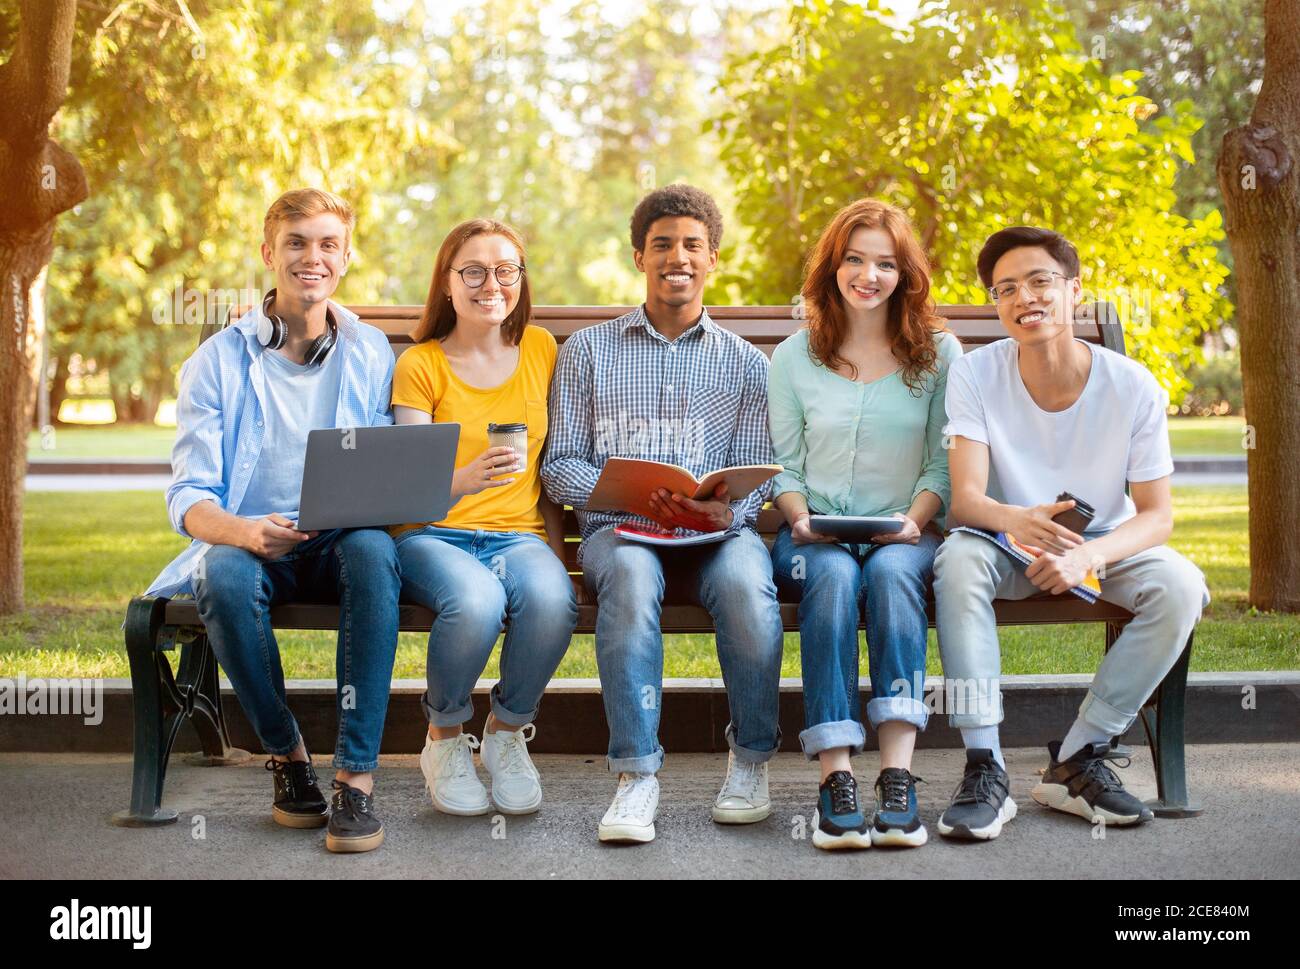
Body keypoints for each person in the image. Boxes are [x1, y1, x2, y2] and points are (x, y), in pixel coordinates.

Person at [145, 188, 400, 854]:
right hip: (249, 542)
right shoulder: (215, 362)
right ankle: (288, 756)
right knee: (223, 577)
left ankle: (355, 777)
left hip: (341, 536)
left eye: (326, 244)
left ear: (344, 257)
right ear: (268, 253)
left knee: (375, 554)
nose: (311, 257)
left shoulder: (370, 351)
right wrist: (246, 531)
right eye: (296, 243)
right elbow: (189, 497)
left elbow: (382, 461)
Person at [933, 225, 1210, 840]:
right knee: (956, 561)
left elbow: (1158, 516)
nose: (1024, 297)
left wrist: (1087, 553)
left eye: (1040, 281)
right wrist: (1017, 519)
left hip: (1099, 546)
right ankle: (986, 765)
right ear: (997, 304)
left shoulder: (1132, 384)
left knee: (1182, 586)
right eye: (1006, 288)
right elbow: (967, 502)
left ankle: (1078, 758)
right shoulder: (975, 374)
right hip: (1001, 545)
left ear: (1074, 290)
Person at [541, 184, 783, 845]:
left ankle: (751, 759)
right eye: (662, 245)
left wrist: (725, 517)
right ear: (638, 257)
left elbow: (757, 476)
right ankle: (636, 773)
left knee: (745, 587)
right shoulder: (587, 352)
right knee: (631, 581)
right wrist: (634, 495)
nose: (677, 256)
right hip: (620, 533)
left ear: (713, 259)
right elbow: (560, 464)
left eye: (692, 245)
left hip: (714, 535)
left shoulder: (746, 364)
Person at [768, 199, 960, 850]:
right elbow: (783, 467)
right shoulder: (795, 356)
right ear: (833, 267)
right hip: (811, 534)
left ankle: (899, 779)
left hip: (906, 530)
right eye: (854, 259)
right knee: (828, 578)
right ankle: (837, 777)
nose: (867, 274)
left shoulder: (939, 354)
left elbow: (942, 463)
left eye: (884, 262)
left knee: (894, 576)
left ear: (905, 274)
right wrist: (799, 520)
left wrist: (913, 522)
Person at [392, 219, 577, 818]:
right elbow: (410, 488)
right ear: (447, 282)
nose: (489, 284)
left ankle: (504, 732)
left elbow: (550, 470)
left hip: (517, 535)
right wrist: (466, 479)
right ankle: (443, 738)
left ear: (520, 280)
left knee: (553, 601)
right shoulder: (422, 365)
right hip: (433, 534)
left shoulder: (542, 350)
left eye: (504, 270)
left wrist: (554, 548)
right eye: (472, 270)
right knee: (475, 602)